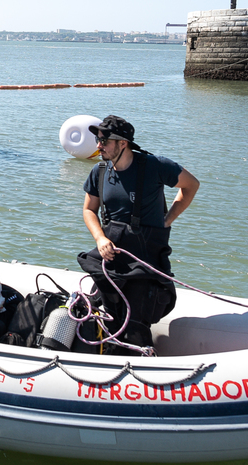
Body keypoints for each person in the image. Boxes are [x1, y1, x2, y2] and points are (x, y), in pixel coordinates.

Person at [77, 115, 199, 351]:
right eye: (98, 139)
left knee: (134, 327)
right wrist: (100, 238)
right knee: (107, 319)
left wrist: (168, 219)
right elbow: (89, 210)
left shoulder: (156, 165)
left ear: (123, 143)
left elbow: (191, 184)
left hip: (145, 260)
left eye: (105, 140)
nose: (99, 145)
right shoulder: (99, 171)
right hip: (112, 258)